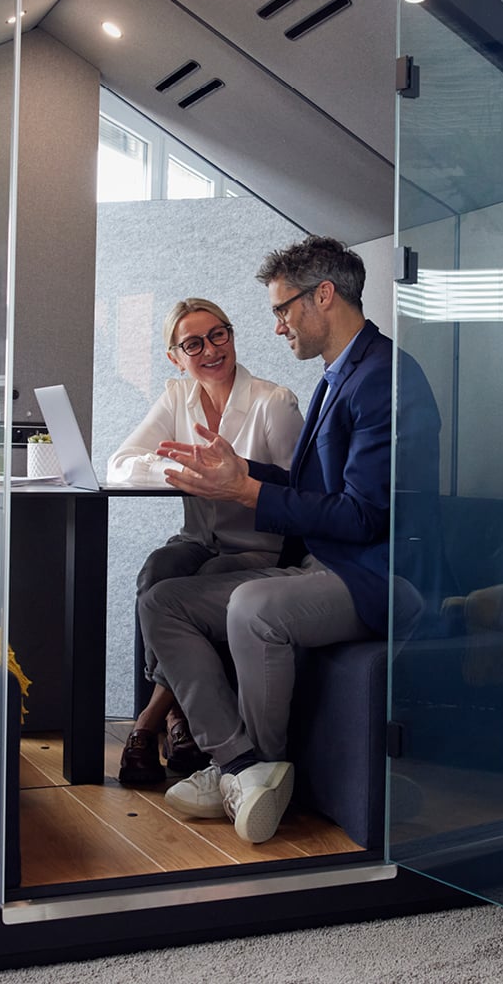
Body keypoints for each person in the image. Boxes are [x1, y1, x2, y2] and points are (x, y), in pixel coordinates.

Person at [138, 235, 399, 844]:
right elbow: (313, 487)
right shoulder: (338, 377)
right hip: (324, 563)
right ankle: (241, 764)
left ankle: (247, 775)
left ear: (323, 297)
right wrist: (243, 473)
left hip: (373, 574)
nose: (278, 327)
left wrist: (248, 494)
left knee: (253, 606)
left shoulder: (382, 379)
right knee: (163, 600)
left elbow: (364, 518)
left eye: (283, 309)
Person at [107, 297, 302, 785]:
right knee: (157, 571)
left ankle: (153, 721)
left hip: (258, 547)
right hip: (197, 538)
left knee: (194, 586)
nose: (212, 349)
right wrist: (182, 468)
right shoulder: (178, 397)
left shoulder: (272, 403)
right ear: (175, 356)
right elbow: (122, 462)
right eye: (194, 343)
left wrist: (239, 482)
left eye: (220, 334)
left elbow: (303, 493)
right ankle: (178, 722)